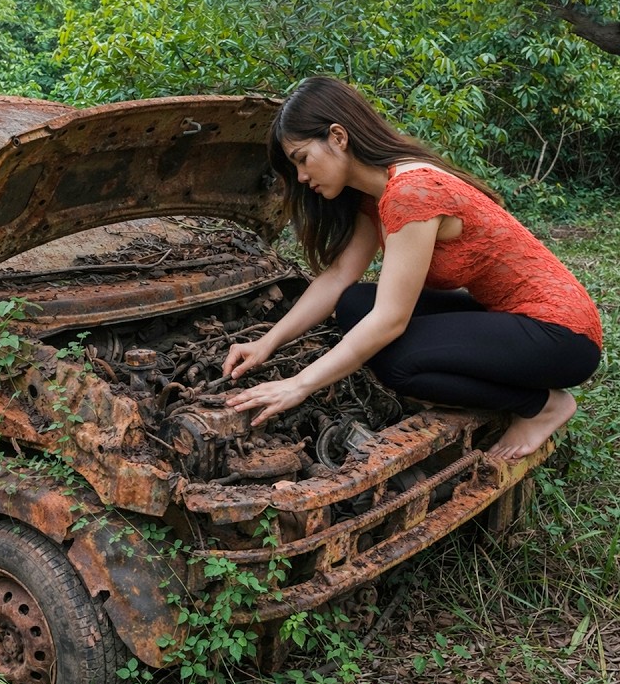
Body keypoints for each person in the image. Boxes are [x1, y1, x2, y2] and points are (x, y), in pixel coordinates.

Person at [222, 76, 601, 462]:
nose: (302, 176)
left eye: (302, 158)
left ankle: (542, 405)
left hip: (562, 335)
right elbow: (339, 276)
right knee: (354, 303)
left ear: (338, 136)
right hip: (507, 316)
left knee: (396, 361)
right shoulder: (377, 193)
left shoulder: (410, 192)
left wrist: (299, 385)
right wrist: (267, 342)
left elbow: (391, 319)